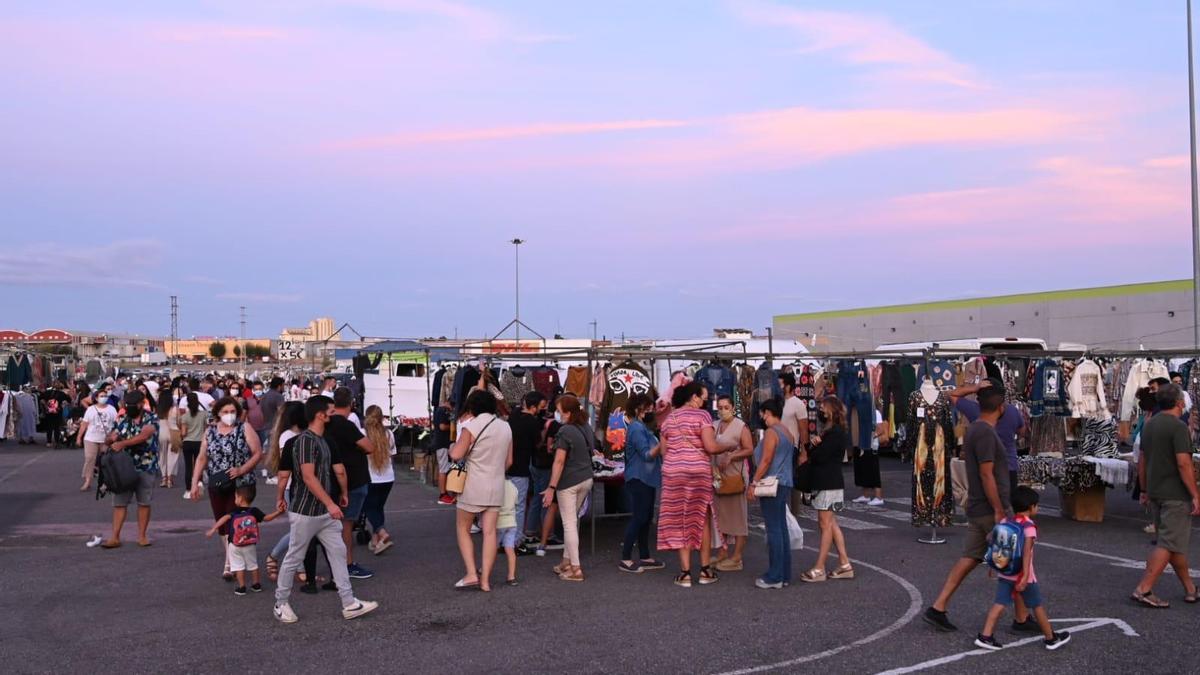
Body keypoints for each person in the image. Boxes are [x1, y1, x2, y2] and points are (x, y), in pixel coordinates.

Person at [273, 396, 378, 623]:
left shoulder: (316, 440)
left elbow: (332, 472)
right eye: (330, 412)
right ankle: (280, 603)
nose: (333, 416)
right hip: (307, 510)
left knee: (337, 552)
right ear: (320, 415)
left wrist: (339, 495)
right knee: (295, 556)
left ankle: (349, 602)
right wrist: (336, 499)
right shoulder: (308, 442)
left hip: (319, 510)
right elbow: (310, 477)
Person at [925, 384, 1014, 631]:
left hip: (978, 506)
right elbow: (987, 474)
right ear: (1002, 408)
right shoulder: (985, 433)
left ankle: (938, 607)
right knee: (1014, 562)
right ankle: (1020, 618)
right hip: (990, 507)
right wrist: (999, 509)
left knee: (970, 557)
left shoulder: (974, 428)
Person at [974, 486, 1072, 651]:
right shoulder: (1029, 527)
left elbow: (990, 538)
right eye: (1037, 505)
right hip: (1023, 575)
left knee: (999, 603)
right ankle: (1051, 638)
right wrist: (1026, 575)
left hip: (1005, 572)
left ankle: (985, 636)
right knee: (1037, 605)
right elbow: (1027, 553)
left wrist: (993, 565)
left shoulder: (1005, 521)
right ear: (1031, 507)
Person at [1131, 383, 1200, 608]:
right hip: (1175, 493)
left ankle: (1190, 589)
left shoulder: (1150, 424)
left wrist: (1143, 489)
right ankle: (1144, 588)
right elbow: (1184, 463)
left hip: (1156, 491)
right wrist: (1195, 493)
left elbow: (1142, 460)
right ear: (1180, 402)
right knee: (1169, 542)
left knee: (1172, 542)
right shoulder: (1178, 427)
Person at [657, 381, 728, 588]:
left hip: (673, 474)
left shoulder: (669, 419)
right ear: (694, 397)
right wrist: (729, 445)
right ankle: (705, 570)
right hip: (697, 472)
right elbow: (710, 446)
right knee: (702, 519)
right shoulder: (703, 416)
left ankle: (685, 574)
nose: (704, 403)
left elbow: (663, 451)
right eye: (703, 399)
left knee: (680, 521)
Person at [190, 396, 264, 581]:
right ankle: (231, 556)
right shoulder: (210, 432)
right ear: (217, 414)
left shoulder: (244, 428)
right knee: (221, 523)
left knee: (233, 519)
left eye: (232, 412)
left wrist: (242, 469)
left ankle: (229, 562)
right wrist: (194, 483)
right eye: (225, 412)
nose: (229, 415)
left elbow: (257, 453)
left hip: (241, 483)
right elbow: (201, 458)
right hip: (217, 482)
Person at [449, 389, 514, 592]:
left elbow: (457, 455)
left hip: (473, 486)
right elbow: (509, 461)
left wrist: (453, 447)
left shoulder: (472, 426)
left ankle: (471, 573)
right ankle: (485, 580)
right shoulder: (505, 427)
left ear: (473, 407)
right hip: (496, 485)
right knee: (490, 532)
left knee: (463, 528)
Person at [799, 396, 854, 582]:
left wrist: (815, 445)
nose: (820, 409)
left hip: (829, 483)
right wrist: (814, 444)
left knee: (825, 524)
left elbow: (821, 457)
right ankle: (845, 564)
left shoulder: (835, 432)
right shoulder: (830, 430)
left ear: (832, 410)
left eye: (823, 407)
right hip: (830, 482)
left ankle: (820, 567)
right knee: (832, 523)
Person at [540, 394, 594, 582]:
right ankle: (567, 561)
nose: (558, 413)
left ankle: (576, 569)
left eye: (560, 410)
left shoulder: (565, 431)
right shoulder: (585, 427)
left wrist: (551, 487)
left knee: (569, 524)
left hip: (569, 482)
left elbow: (559, 461)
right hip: (586, 478)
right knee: (573, 522)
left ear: (568, 412)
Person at [325, 387, 376, 580]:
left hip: (331, 481)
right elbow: (369, 447)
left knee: (330, 526)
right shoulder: (346, 425)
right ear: (351, 403)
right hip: (353, 479)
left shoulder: (326, 423)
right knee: (346, 525)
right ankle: (347, 564)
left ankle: (333, 563)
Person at [100, 391, 160, 548]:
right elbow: (111, 436)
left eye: (133, 405)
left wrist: (122, 443)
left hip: (146, 465)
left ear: (141, 404)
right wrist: (110, 439)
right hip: (123, 467)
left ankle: (142, 536)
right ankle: (114, 536)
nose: (130, 408)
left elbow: (144, 436)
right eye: (128, 405)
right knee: (119, 502)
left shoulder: (151, 418)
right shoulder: (121, 418)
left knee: (144, 502)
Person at [747, 398, 796, 589]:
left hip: (771, 484)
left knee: (774, 529)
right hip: (784, 483)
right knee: (781, 528)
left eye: (762, 413)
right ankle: (784, 574)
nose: (761, 416)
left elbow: (766, 460)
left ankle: (775, 576)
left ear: (767, 412)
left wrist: (753, 483)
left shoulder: (771, 432)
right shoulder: (787, 432)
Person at [950, 378, 1024, 495]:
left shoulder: (975, 410)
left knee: (986, 507)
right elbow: (1022, 431)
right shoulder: (1012, 411)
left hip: (983, 468)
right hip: (1009, 467)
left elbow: (952, 395)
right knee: (1007, 506)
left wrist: (974, 388)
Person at [206, 485, 285, 595]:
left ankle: (242, 587)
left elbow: (224, 518)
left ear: (240, 498)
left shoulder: (234, 511)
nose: (235, 499)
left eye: (235, 497)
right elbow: (267, 518)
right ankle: (256, 585)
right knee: (253, 565)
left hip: (235, 545)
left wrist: (213, 528)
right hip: (250, 544)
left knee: (238, 566)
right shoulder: (254, 511)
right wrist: (278, 512)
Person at [619, 393, 665, 573]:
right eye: (648, 407)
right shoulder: (637, 428)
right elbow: (646, 455)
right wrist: (662, 444)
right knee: (639, 517)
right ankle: (625, 557)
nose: (651, 410)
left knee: (645, 518)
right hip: (639, 479)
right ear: (639, 408)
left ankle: (645, 555)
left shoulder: (641, 427)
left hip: (646, 479)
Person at [712, 395, 754, 572]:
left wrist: (732, 456)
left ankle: (737, 557)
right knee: (721, 518)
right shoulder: (714, 426)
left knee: (738, 516)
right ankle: (723, 552)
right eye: (720, 407)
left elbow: (749, 449)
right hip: (718, 479)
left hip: (736, 477)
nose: (723, 410)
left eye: (726, 407)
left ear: (733, 407)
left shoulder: (740, 426)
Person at [505, 392, 542, 557]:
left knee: (506, 506)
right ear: (533, 407)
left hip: (506, 467)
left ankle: (503, 541)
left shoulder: (513, 417)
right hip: (521, 467)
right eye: (540, 407)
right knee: (519, 507)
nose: (542, 410)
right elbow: (537, 444)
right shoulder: (532, 422)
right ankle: (515, 542)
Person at [362, 405, 396, 556]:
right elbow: (393, 454)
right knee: (378, 507)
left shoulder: (363, 434)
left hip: (370, 477)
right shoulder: (388, 433)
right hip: (388, 477)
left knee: (368, 507)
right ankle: (376, 541)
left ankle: (382, 532)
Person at [76, 389, 118, 492]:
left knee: (105, 461)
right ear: (96, 398)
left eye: (105, 396)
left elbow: (117, 424)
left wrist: (114, 436)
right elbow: (84, 424)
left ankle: (105, 482)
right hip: (91, 438)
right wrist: (79, 437)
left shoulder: (112, 409)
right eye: (101, 396)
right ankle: (88, 480)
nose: (104, 398)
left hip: (106, 440)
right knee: (90, 459)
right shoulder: (90, 409)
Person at [852, 410, 887, 506]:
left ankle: (879, 497)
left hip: (871, 444)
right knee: (863, 469)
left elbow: (880, 429)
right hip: (862, 442)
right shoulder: (861, 411)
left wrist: (873, 435)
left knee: (873, 469)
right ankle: (865, 495)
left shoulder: (875, 412)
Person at [178, 393, 208, 500]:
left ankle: (188, 490)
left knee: (188, 466)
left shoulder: (185, 416)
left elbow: (183, 433)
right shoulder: (204, 414)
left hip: (188, 442)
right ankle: (198, 483)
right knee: (198, 465)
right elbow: (206, 428)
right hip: (200, 442)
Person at [155, 389, 180, 489]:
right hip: (174, 433)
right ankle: (170, 478)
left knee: (162, 455)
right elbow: (179, 420)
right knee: (173, 456)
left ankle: (163, 478)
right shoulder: (175, 409)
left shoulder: (158, 409)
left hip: (161, 433)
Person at [433, 400, 455, 505]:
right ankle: (443, 494)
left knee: (445, 468)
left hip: (443, 444)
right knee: (443, 469)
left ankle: (445, 493)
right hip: (443, 444)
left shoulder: (440, 410)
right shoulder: (442, 411)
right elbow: (442, 426)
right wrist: (453, 426)